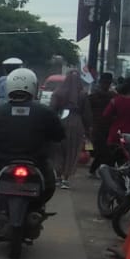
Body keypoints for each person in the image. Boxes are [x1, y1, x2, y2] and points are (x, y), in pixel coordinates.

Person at [0, 68, 64, 211]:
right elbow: (59, 135)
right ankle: (38, 209)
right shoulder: (46, 112)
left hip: (0, 162)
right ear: (33, 87)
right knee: (49, 183)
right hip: (38, 163)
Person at [50, 59, 89, 187]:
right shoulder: (83, 94)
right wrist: (88, 129)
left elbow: (52, 110)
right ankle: (65, 179)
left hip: (60, 121)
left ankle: (57, 176)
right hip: (77, 123)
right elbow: (86, 114)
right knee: (72, 151)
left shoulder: (58, 92)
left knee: (58, 150)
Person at [87, 72, 117, 170]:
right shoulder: (112, 96)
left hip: (103, 126)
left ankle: (96, 168)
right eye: (105, 82)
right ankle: (96, 168)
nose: (106, 85)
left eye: (108, 83)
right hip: (100, 126)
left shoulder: (111, 96)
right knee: (100, 149)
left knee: (101, 149)